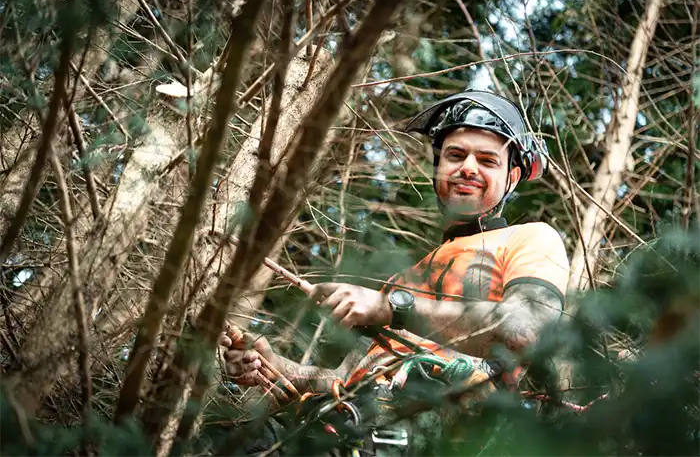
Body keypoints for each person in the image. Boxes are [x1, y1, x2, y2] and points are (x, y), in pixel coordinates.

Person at [219, 89, 571, 453]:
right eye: (455, 155)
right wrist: (276, 369)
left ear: (512, 176)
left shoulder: (530, 238)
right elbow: (346, 378)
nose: (468, 167)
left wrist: (396, 308)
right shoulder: (406, 280)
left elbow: (526, 328)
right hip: (351, 427)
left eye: (487, 160)